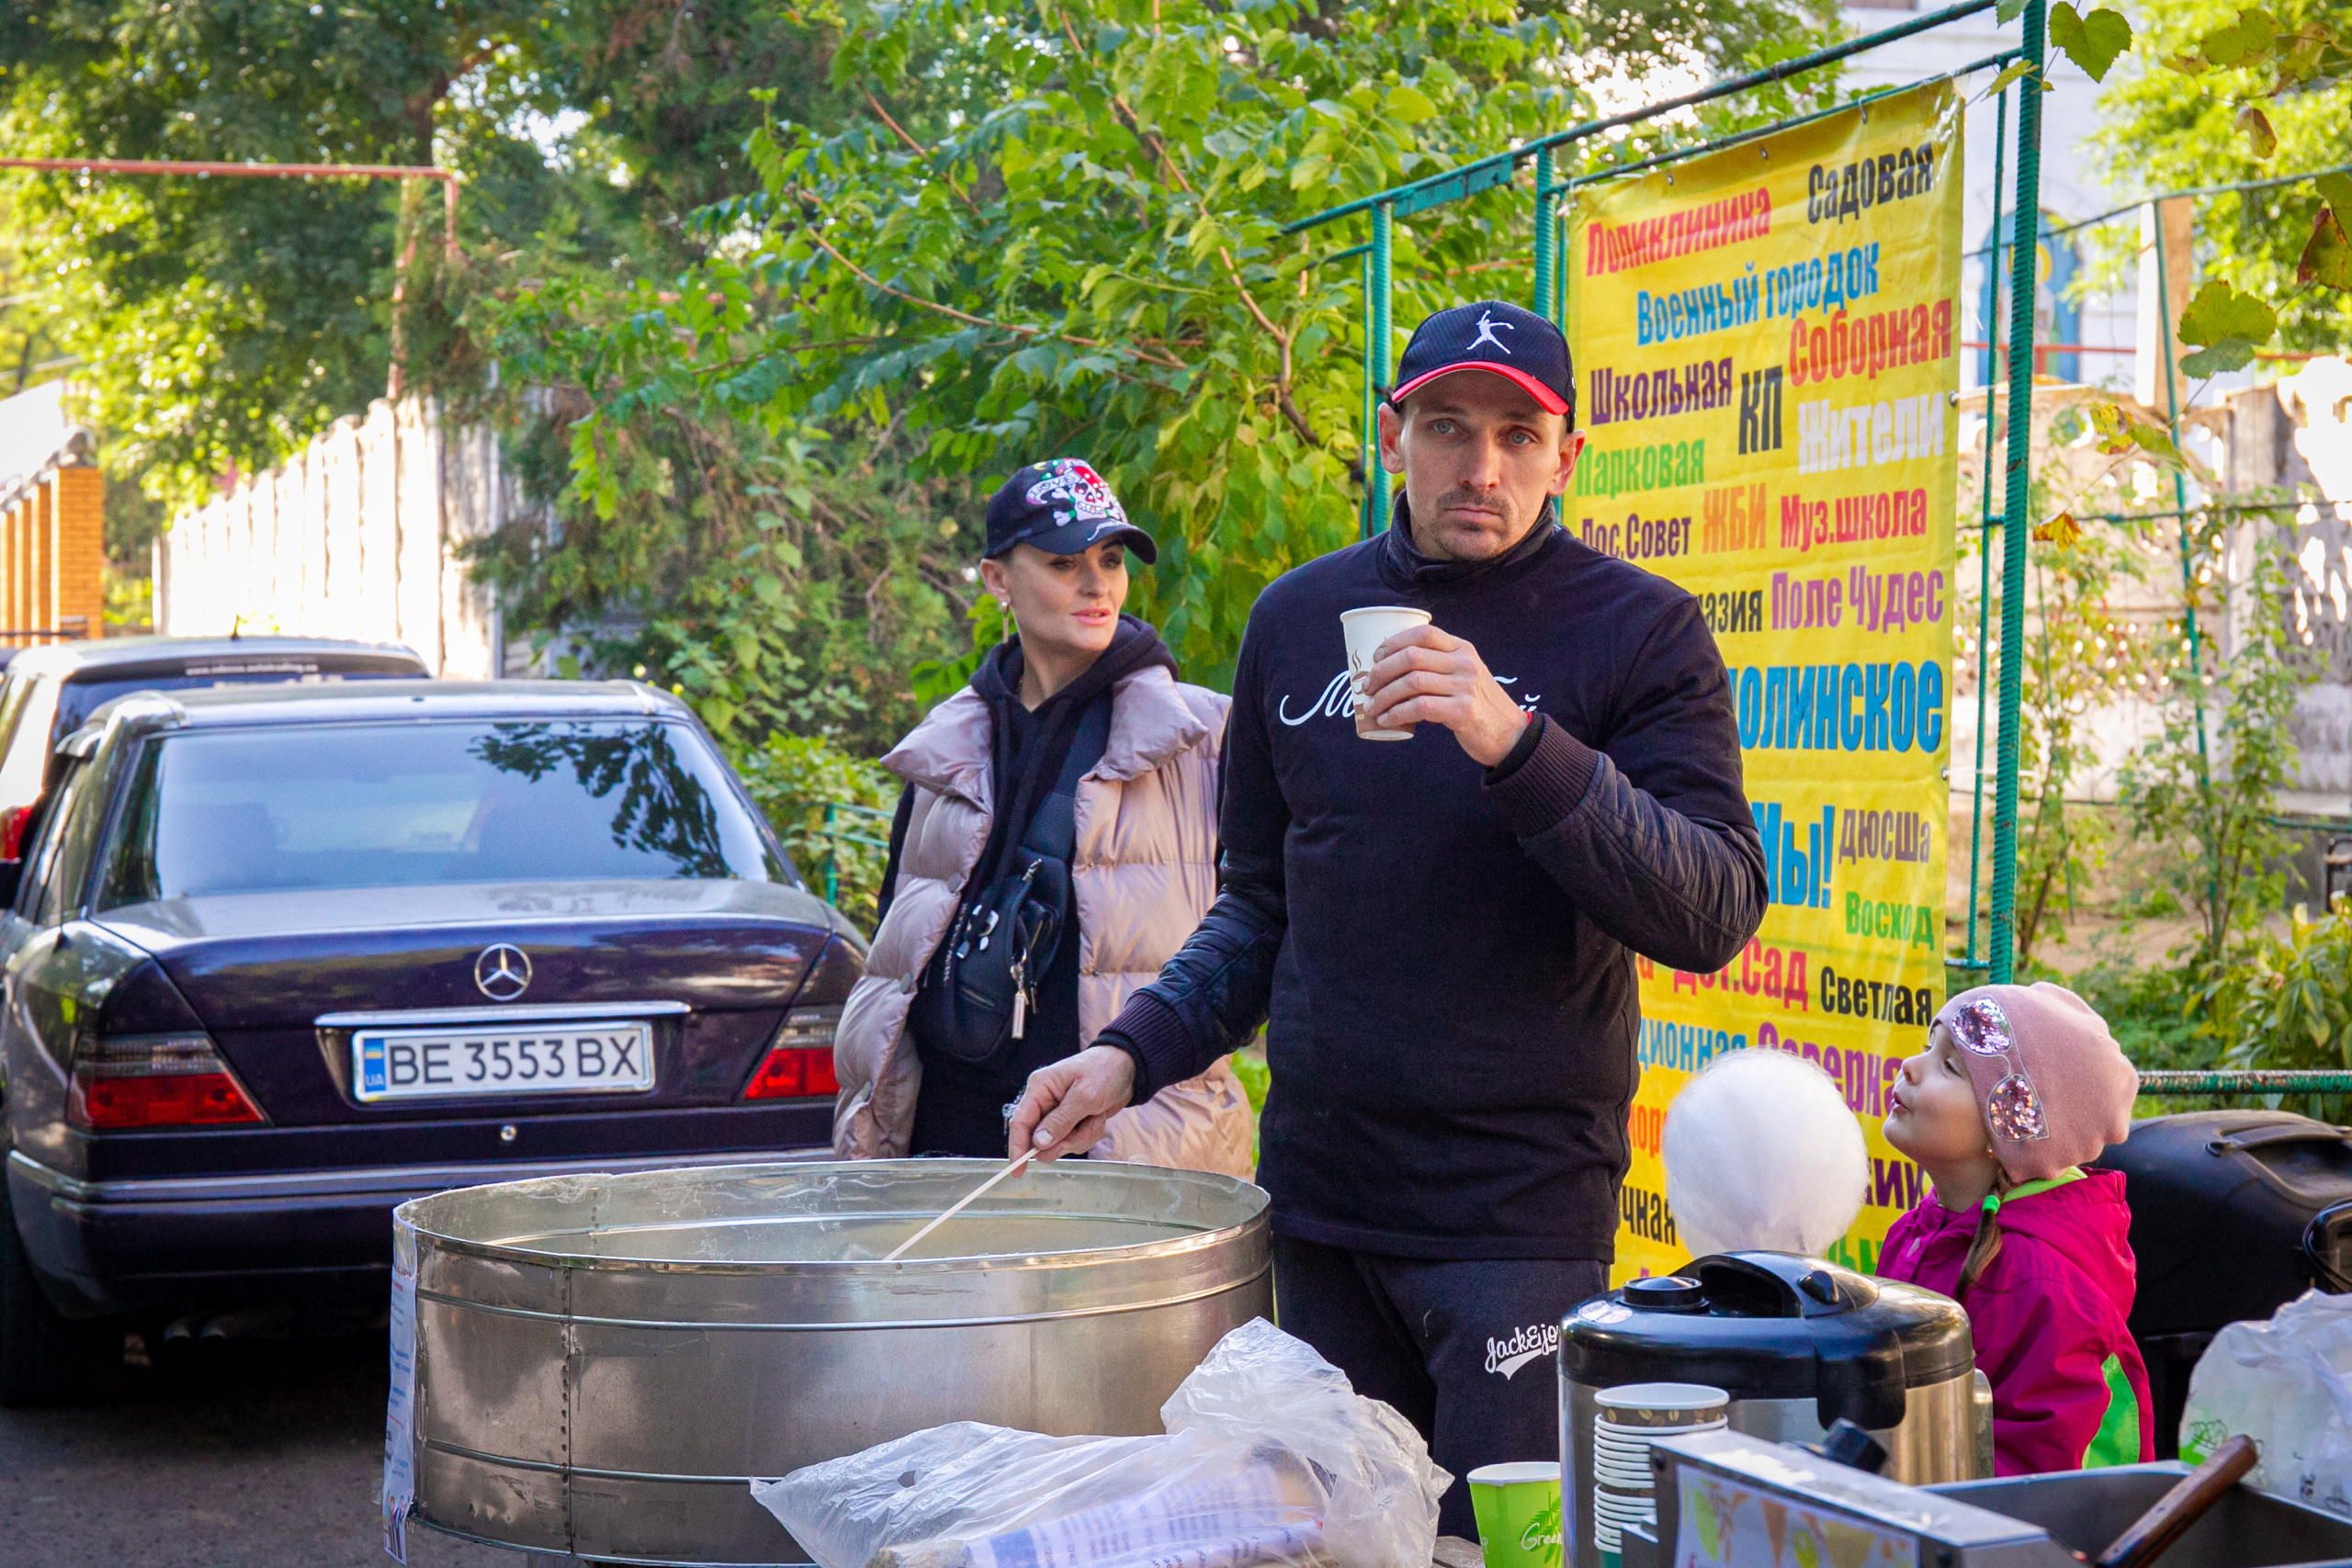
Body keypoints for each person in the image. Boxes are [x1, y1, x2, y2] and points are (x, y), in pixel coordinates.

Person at [1009, 301, 1770, 1532]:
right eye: (1449, 426)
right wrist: (1129, 1049)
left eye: (1520, 435)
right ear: (1390, 434)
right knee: (1328, 1547)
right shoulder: (1297, 619)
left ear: (1567, 453)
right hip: (1320, 1205)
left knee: (1494, 1549)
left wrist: (1514, 740)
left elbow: (1711, 906)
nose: (1483, 466)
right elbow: (1260, 902)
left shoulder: (1639, 629)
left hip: (1516, 1219)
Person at [832, 458, 1253, 1177]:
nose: (1098, 585)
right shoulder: (945, 749)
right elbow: (896, 966)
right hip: (950, 1146)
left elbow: (1260, 933)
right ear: (998, 579)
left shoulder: (1204, 740)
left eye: (1111, 560)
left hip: (1125, 1150)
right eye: (1065, 562)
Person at [1880, 983, 2151, 1475]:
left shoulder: (2042, 1286)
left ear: (2008, 1128)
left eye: (1949, 1067)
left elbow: (2034, 1477)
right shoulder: (1914, 1232)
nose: (1910, 1067)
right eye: (1927, 1046)